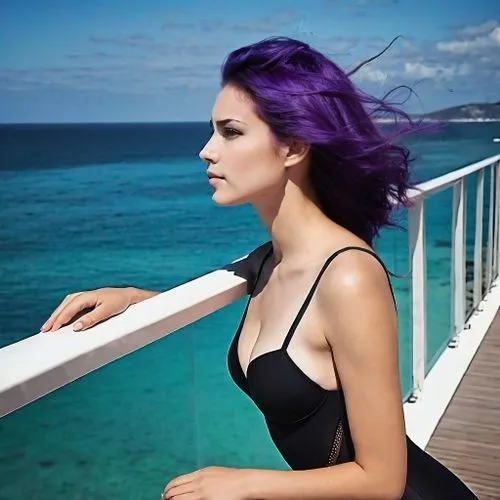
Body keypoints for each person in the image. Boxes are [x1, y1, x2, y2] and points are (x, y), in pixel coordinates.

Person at [41, 37, 478, 499]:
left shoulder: (348, 277)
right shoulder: (268, 260)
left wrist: (243, 482)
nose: (206, 151)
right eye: (212, 131)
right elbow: (239, 304)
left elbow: (383, 480)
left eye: (230, 132)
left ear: (293, 147)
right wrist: (132, 297)